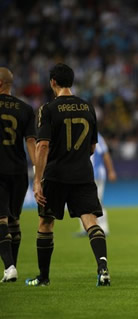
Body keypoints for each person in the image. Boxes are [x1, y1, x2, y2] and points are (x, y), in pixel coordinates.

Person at [27, 63, 110, 286]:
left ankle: (43, 278)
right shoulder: (88, 107)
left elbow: (42, 146)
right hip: (83, 174)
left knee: (46, 223)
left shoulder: (48, 109)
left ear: (53, 82)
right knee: (91, 221)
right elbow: (93, 147)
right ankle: (103, 269)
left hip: (56, 175)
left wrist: (37, 180)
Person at [0, 67, 36, 282]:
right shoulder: (25, 108)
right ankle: (12, 267)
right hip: (19, 172)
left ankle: (10, 266)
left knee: (1, 219)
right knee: (14, 220)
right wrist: (37, 173)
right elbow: (31, 142)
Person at [76, 132, 116, 236]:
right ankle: (86, 228)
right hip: (83, 175)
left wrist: (111, 171)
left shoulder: (96, 136)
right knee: (82, 203)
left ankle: (103, 228)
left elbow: (105, 154)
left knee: (96, 202)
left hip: (96, 174)